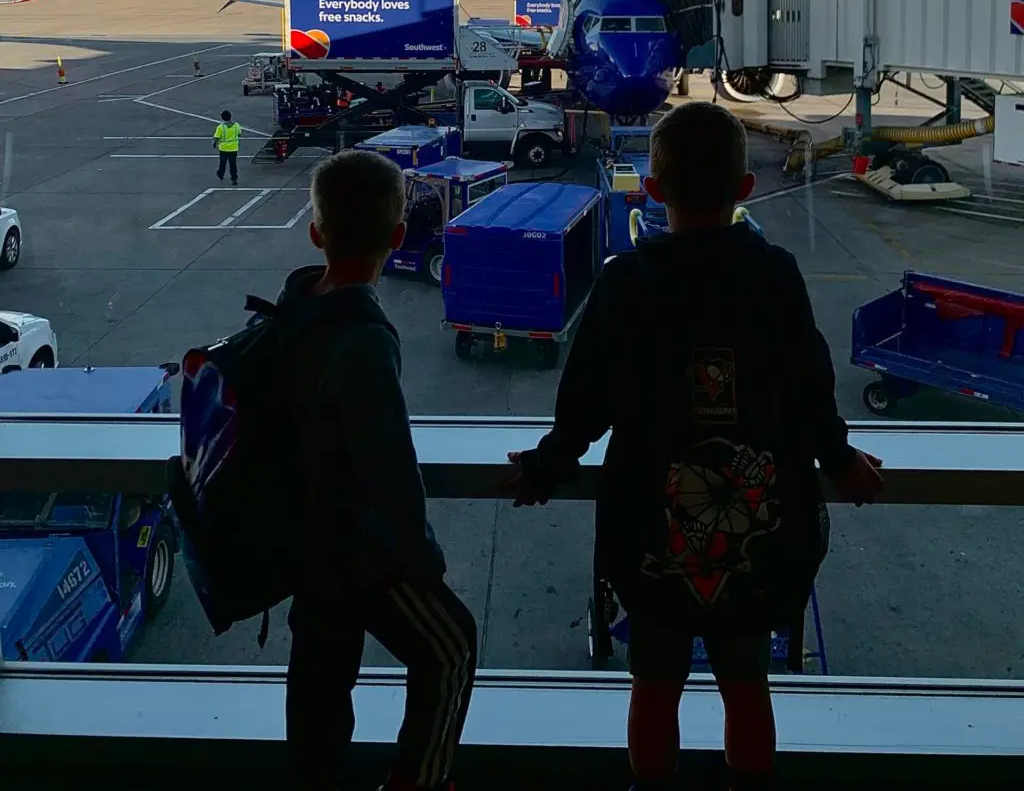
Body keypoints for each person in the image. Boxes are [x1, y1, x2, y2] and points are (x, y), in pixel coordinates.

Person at [501, 102, 884, 791]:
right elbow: (812, 389)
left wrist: (547, 466)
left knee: (653, 689)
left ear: (651, 189)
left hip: (651, 539)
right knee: (747, 688)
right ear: (746, 189)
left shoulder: (625, 283)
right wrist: (841, 458)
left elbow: (584, 402)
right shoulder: (775, 277)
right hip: (752, 543)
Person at [281, 149, 477, 791]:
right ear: (398, 238)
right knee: (451, 647)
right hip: (354, 550)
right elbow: (388, 464)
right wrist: (420, 555)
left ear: (316, 233)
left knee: (319, 684)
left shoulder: (295, 307)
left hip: (305, 543)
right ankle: (419, 780)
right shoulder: (362, 338)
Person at [213, 109, 241, 185]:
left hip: (223, 148)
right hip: (233, 148)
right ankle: (234, 178)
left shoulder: (220, 127)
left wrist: (214, 143)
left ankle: (220, 174)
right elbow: (239, 133)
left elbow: (216, 137)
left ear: (222, 118)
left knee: (222, 163)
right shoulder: (236, 125)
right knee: (233, 164)